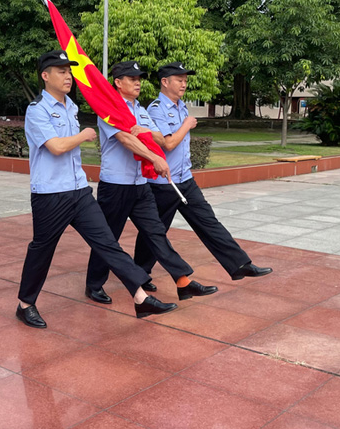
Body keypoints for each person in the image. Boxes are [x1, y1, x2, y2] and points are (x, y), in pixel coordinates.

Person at [15, 50, 178, 329]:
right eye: (61, 71)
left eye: (70, 71)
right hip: (50, 194)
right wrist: (84, 135)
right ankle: (25, 304)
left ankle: (140, 298)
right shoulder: (37, 110)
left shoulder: (71, 107)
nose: (68, 76)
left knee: (107, 243)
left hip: (79, 191)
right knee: (42, 249)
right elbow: (55, 147)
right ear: (45, 75)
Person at [85, 61, 218, 303]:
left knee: (156, 233)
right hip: (115, 185)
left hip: (140, 183)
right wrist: (154, 156)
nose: (138, 82)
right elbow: (126, 139)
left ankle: (182, 280)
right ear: (118, 82)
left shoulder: (141, 110)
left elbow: (154, 136)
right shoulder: (108, 109)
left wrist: (151, 141)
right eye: (132, 78)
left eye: (139, 78)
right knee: (108, 237)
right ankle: (94, 284)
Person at [137, 62, 273, 280]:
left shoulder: (181, 106)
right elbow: (168, 144)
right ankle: (141, 274)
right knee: (154, 233)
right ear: (165, 82)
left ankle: (240, 264)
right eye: (179, 80)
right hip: (164, 184)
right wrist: (187, 124)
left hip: (186, 180)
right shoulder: (155, 109)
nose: (184, 84)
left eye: (185, 80)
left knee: (209, 222)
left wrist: (185, 122)